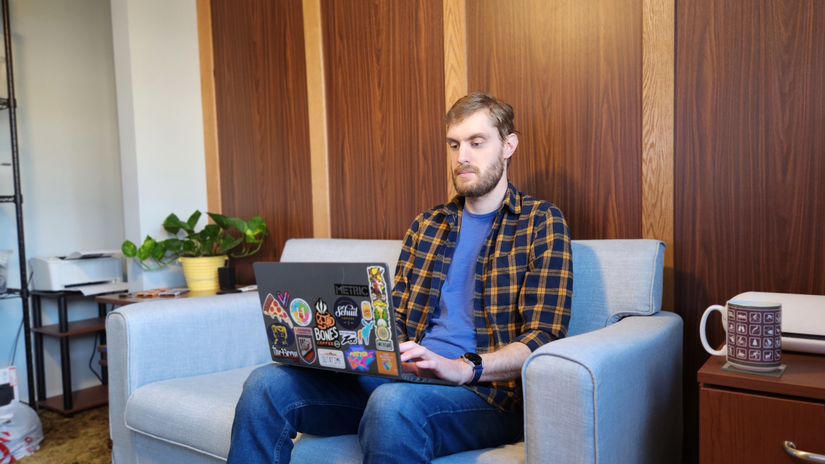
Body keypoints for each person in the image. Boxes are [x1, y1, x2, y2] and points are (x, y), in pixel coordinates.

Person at [227, 93, 573, 464]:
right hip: (403, 378)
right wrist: (351, 346)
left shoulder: (541, 222)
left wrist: (461, 367)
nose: (462, 158)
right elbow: (394, 320)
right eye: (454, 145)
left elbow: (544, 338)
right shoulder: (427, 226)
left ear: (508, 145)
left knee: (392, 405)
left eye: (476, 143)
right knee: (266, 385)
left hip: (485, 394)